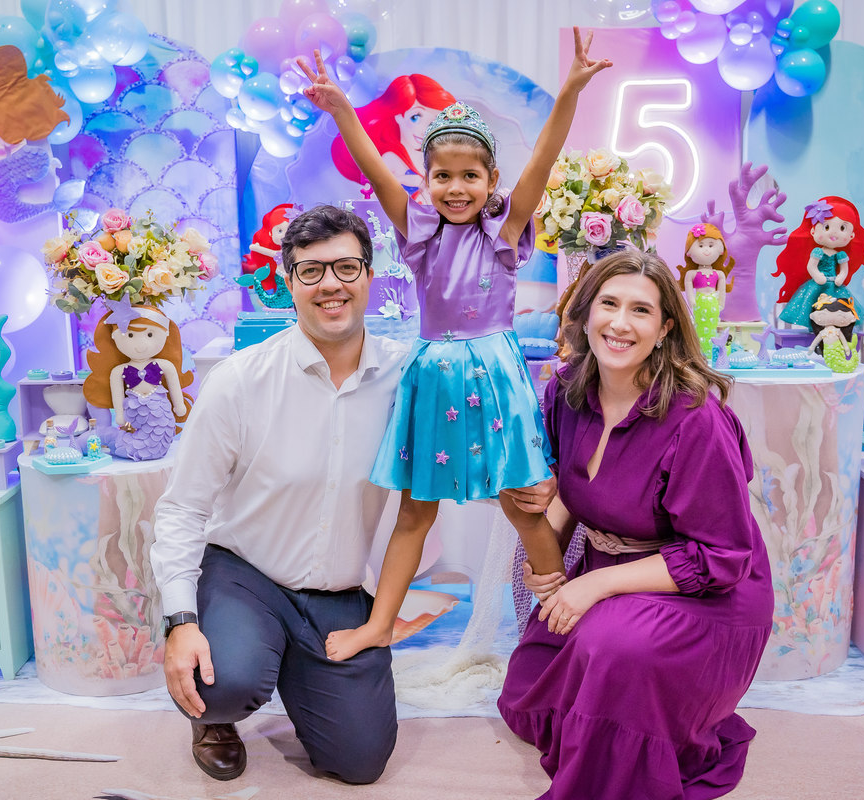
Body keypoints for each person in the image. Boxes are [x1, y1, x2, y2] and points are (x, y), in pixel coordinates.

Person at [296, 27, 612, 663]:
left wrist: (571, 92)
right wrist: (341, 110)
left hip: (495, 377)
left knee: (524, 509)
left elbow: (545, 157)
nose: (457, 188)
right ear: (426, 178)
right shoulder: (417, 231)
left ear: (492, 180)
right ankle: (379, 624)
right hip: (434, 377)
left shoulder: (506, 230)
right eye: (443, 176)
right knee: (415, 512)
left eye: (471, 176)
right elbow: (374, 167)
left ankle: (562, 628)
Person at [497, 250, 774, 800]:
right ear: (585, 314)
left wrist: (594, 584)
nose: (620, 324)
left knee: (609, 648)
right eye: (609, 304)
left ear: (665, 328)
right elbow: (571, 488)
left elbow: (721, 558)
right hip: (613, 565)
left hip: (706, 591)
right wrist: (547, 557)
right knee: (525, 693)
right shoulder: (566, 391)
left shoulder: (696, 419)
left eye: (641, 310)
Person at [148, 205, 410, 784]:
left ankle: (293, 665)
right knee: (223, 683)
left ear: (369, 276)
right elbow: (183, 508)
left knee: (360, 762)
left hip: (337, 592)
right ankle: (218, 713)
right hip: (246, 574)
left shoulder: (406, 378)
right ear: (289, 283)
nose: (330, 284)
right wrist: (181, 622)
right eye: (311, 271)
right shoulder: (239, 380)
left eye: (346, 267)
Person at [83, 307, 192, 461]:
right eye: (130, 335)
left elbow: (174, 386)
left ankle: (103, 440)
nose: (140, 345)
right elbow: (117, 396)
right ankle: (92, 441)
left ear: (166, 333)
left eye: (149, 334)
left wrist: (179, 405)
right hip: (135, 415)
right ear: (114, 337)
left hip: (162, 416)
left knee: (157, 433)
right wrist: (120, 415)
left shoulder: (165, 365)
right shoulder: (118, 371)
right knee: (126, 437)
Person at [330, 73, 456, 200]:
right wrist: (407, 181)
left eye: (433, 122)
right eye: (415, 117)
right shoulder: (391, 159)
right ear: (399, 116)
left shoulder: (434, 158)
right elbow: (375, 192)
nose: (424, 129)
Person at [773, 195, 864, 330]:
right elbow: (811, 266)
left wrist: (841, 277)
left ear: (851, 235)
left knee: (837, 307)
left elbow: (844, 269)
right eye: (826, 227)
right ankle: (816, 328)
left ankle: (833, 329)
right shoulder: (818, 252)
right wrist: (817, 275)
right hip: (818, 284)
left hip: (834, 284)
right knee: (813, 305)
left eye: (842, 228)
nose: (833, 233)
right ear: (813, 231)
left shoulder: (840, 255)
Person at [675, 222, 733, 359]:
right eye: (700, 246)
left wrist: (721, 303)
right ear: (689, 252)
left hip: (713, 303)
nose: (706, 250)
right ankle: (699, 350)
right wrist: (692, 301)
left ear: (720, 249)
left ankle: (711, 350)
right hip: (699, 303)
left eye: (711, 245)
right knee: (699, 326)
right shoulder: (691, 274)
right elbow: (689, 290)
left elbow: (722, 291)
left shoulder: (719, 274)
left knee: (712, 326)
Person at [807, 293, 861, 373]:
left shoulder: (837, 331)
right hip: (828, 351)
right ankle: (838, 365)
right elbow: (816, 341)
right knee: (831, 359)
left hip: (838, 349)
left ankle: (843, 365)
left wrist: (846, 348)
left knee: (838, 358)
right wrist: (811, 348)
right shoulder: (823, 332)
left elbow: (843, 340)